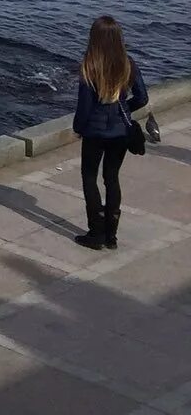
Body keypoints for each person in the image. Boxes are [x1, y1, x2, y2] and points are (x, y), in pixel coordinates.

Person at [72, 14, 149, 250]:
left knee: (89, 177)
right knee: (111, 178)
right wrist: (124, 108)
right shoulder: (128, 63)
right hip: (121, 132)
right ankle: (111, 235)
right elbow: (142, 97)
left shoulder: (90, 65)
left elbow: (84, 107)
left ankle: (95, 231)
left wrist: (78, 128)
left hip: (94, 133)